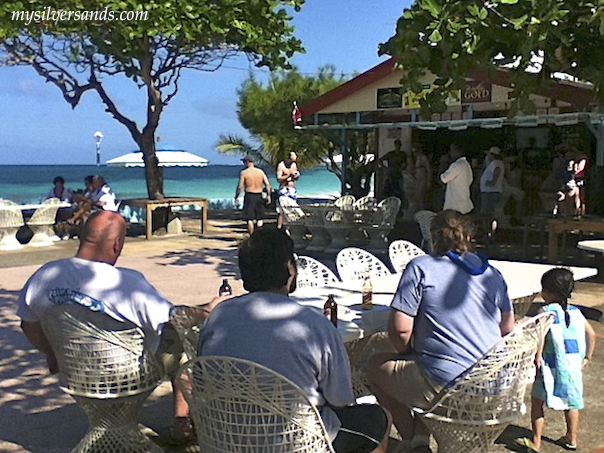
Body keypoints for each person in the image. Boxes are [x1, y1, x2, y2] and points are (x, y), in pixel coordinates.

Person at [16, 211, 215, 443]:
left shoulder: (45, 275)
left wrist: (52, 354)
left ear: (83, 236)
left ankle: (112, 427)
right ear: (116, 244)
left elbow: (28, 324)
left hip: (78, 373)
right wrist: (207, 309)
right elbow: (173, 320)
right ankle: (182, 428)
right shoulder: (125, 283)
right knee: (183, 345)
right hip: (128, 375)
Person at [198, 227, 391, 453]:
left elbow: (202, 380)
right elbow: (341, 400)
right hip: (298, 442)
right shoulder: (313, 324)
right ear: (290, 268)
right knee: (379, 417)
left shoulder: (218, 317)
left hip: (226, 435)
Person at [367, 210, 514, 453]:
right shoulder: (491, 273)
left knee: (375, 365)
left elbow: (401, 330)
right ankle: (419, 440)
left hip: (447, 384)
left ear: (433, 237)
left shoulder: (421, 267)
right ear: (468, 237)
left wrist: (407, 351)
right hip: (491, 384)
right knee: (420, 366)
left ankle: (412, 441)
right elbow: (507, 327)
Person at [516, 268, 596, 453]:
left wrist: (536, 359)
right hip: (572, 366)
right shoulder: (576, 312)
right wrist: (587, 357)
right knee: (573, 403)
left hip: (550, 366)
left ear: (549, 292)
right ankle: (572, 438)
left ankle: (536, 442)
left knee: (537, 401)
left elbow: (540, 337)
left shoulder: (545, 311)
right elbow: (591, 334)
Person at [235, 155, 272, 234]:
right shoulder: (260, 172)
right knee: (260, 218)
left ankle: (252, 237)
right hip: (259, 195)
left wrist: (236, 196)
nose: (244, 164)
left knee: (249, 218)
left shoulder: (244, 173)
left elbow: (240, 186)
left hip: (250, 195)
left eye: (244, 162)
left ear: (248, 162)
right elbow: (268, 184)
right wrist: (268, 195)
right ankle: (259, 235)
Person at [440, 144, 474, 214]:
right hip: (464, 202)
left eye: (451, 150)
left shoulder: (456, 165)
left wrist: (442, 165)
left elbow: (444, 179)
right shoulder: (467, 165)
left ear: (457, 151)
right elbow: (471, 180)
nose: (450, 153)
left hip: (455, 204)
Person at [479, 146, 505, 236]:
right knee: (491, 214)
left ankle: (488, 234)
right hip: (491, 191)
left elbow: (496, 171)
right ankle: (490, 233)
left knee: (487, 214)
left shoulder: (495, 162)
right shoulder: (495, 163)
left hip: (490, 192)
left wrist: (492, 182)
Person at [276, 152, 300, 228]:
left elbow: (295, 178)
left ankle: (292, 226)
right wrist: (288, 175)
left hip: (292, 189)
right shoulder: (281, 165)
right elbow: (279, 178)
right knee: (282, 210)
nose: (293, 162)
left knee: (293, 208)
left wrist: (296, 175)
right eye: (291, 160)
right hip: (284, 189)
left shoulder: (293, 165)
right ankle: (279, 227)